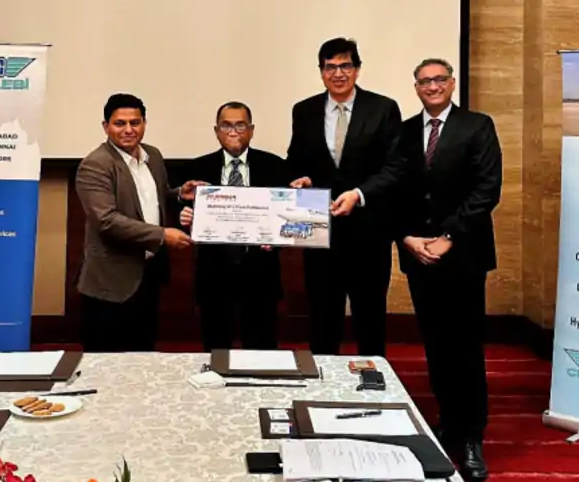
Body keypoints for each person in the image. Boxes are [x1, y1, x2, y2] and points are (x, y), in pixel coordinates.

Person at [337, 58, 501, 482]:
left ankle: (472, 437)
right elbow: (394, 186)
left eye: (439, 79)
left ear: (452, 83)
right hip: (418, 254)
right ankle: (447, 423)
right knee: (436, 346)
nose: (432, 86)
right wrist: (405, 236)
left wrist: (448, 237)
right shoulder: (406, 131)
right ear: (416, 88)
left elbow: (487, 190)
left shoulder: (477, 126)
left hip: (462, 254)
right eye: (425, 81)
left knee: (466, 348)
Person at [287, 37, 402, 357]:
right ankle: (324, 377)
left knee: (370, 317)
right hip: (320, 230)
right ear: (321, 71)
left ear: (357, 69)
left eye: (345, 66)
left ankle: (374, 379)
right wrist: (302, 178)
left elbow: (395, 166)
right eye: (330, 67)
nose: (338, 73)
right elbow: (296, 159)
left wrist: (359, 194)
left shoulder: (382, 109)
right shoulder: (304, 110)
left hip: (369, 231)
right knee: (322, 317)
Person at [75, 93, 196, 352]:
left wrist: (178, 193)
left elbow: (149, 198)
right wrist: (162, 235)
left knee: (143, 354)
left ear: (144, 123)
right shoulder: (95, 165)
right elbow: (106, 221)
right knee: (108, 361)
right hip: (112, 283)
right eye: (120, 123)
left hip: (148, 274)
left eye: (135, 122)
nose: (129, 130)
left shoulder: (153, 155)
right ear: (106, 126)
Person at [178, 102, 291, 351]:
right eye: (226, 125)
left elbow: (286, 218)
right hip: (214, 275)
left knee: (262, 352)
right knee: (216, 351)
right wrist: (185, 219)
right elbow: (186, 216)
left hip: (261, 273)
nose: (233, 132)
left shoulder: (275, 166)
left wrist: (277, 238)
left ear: (251, 130)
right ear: (216, 131)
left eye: (240, 125)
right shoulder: (197, 168)